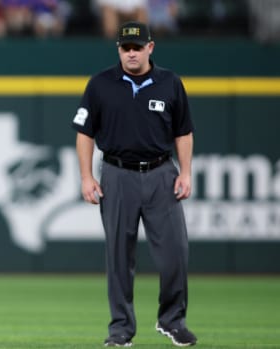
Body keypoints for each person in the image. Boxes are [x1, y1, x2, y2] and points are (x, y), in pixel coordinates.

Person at [71, 21, 197, 347]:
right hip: (117, 173)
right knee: (118, 257)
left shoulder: (169, 82)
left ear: (150, 48)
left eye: (137, 47)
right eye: (126, 47)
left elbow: (183, 131)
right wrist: (86, 176)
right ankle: (121, 329)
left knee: (175, 254)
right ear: (118, 49)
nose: (131, 52)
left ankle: (172, 320)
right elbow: (84, 133)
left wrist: (185, 172)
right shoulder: (101, 84)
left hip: (161, 173)